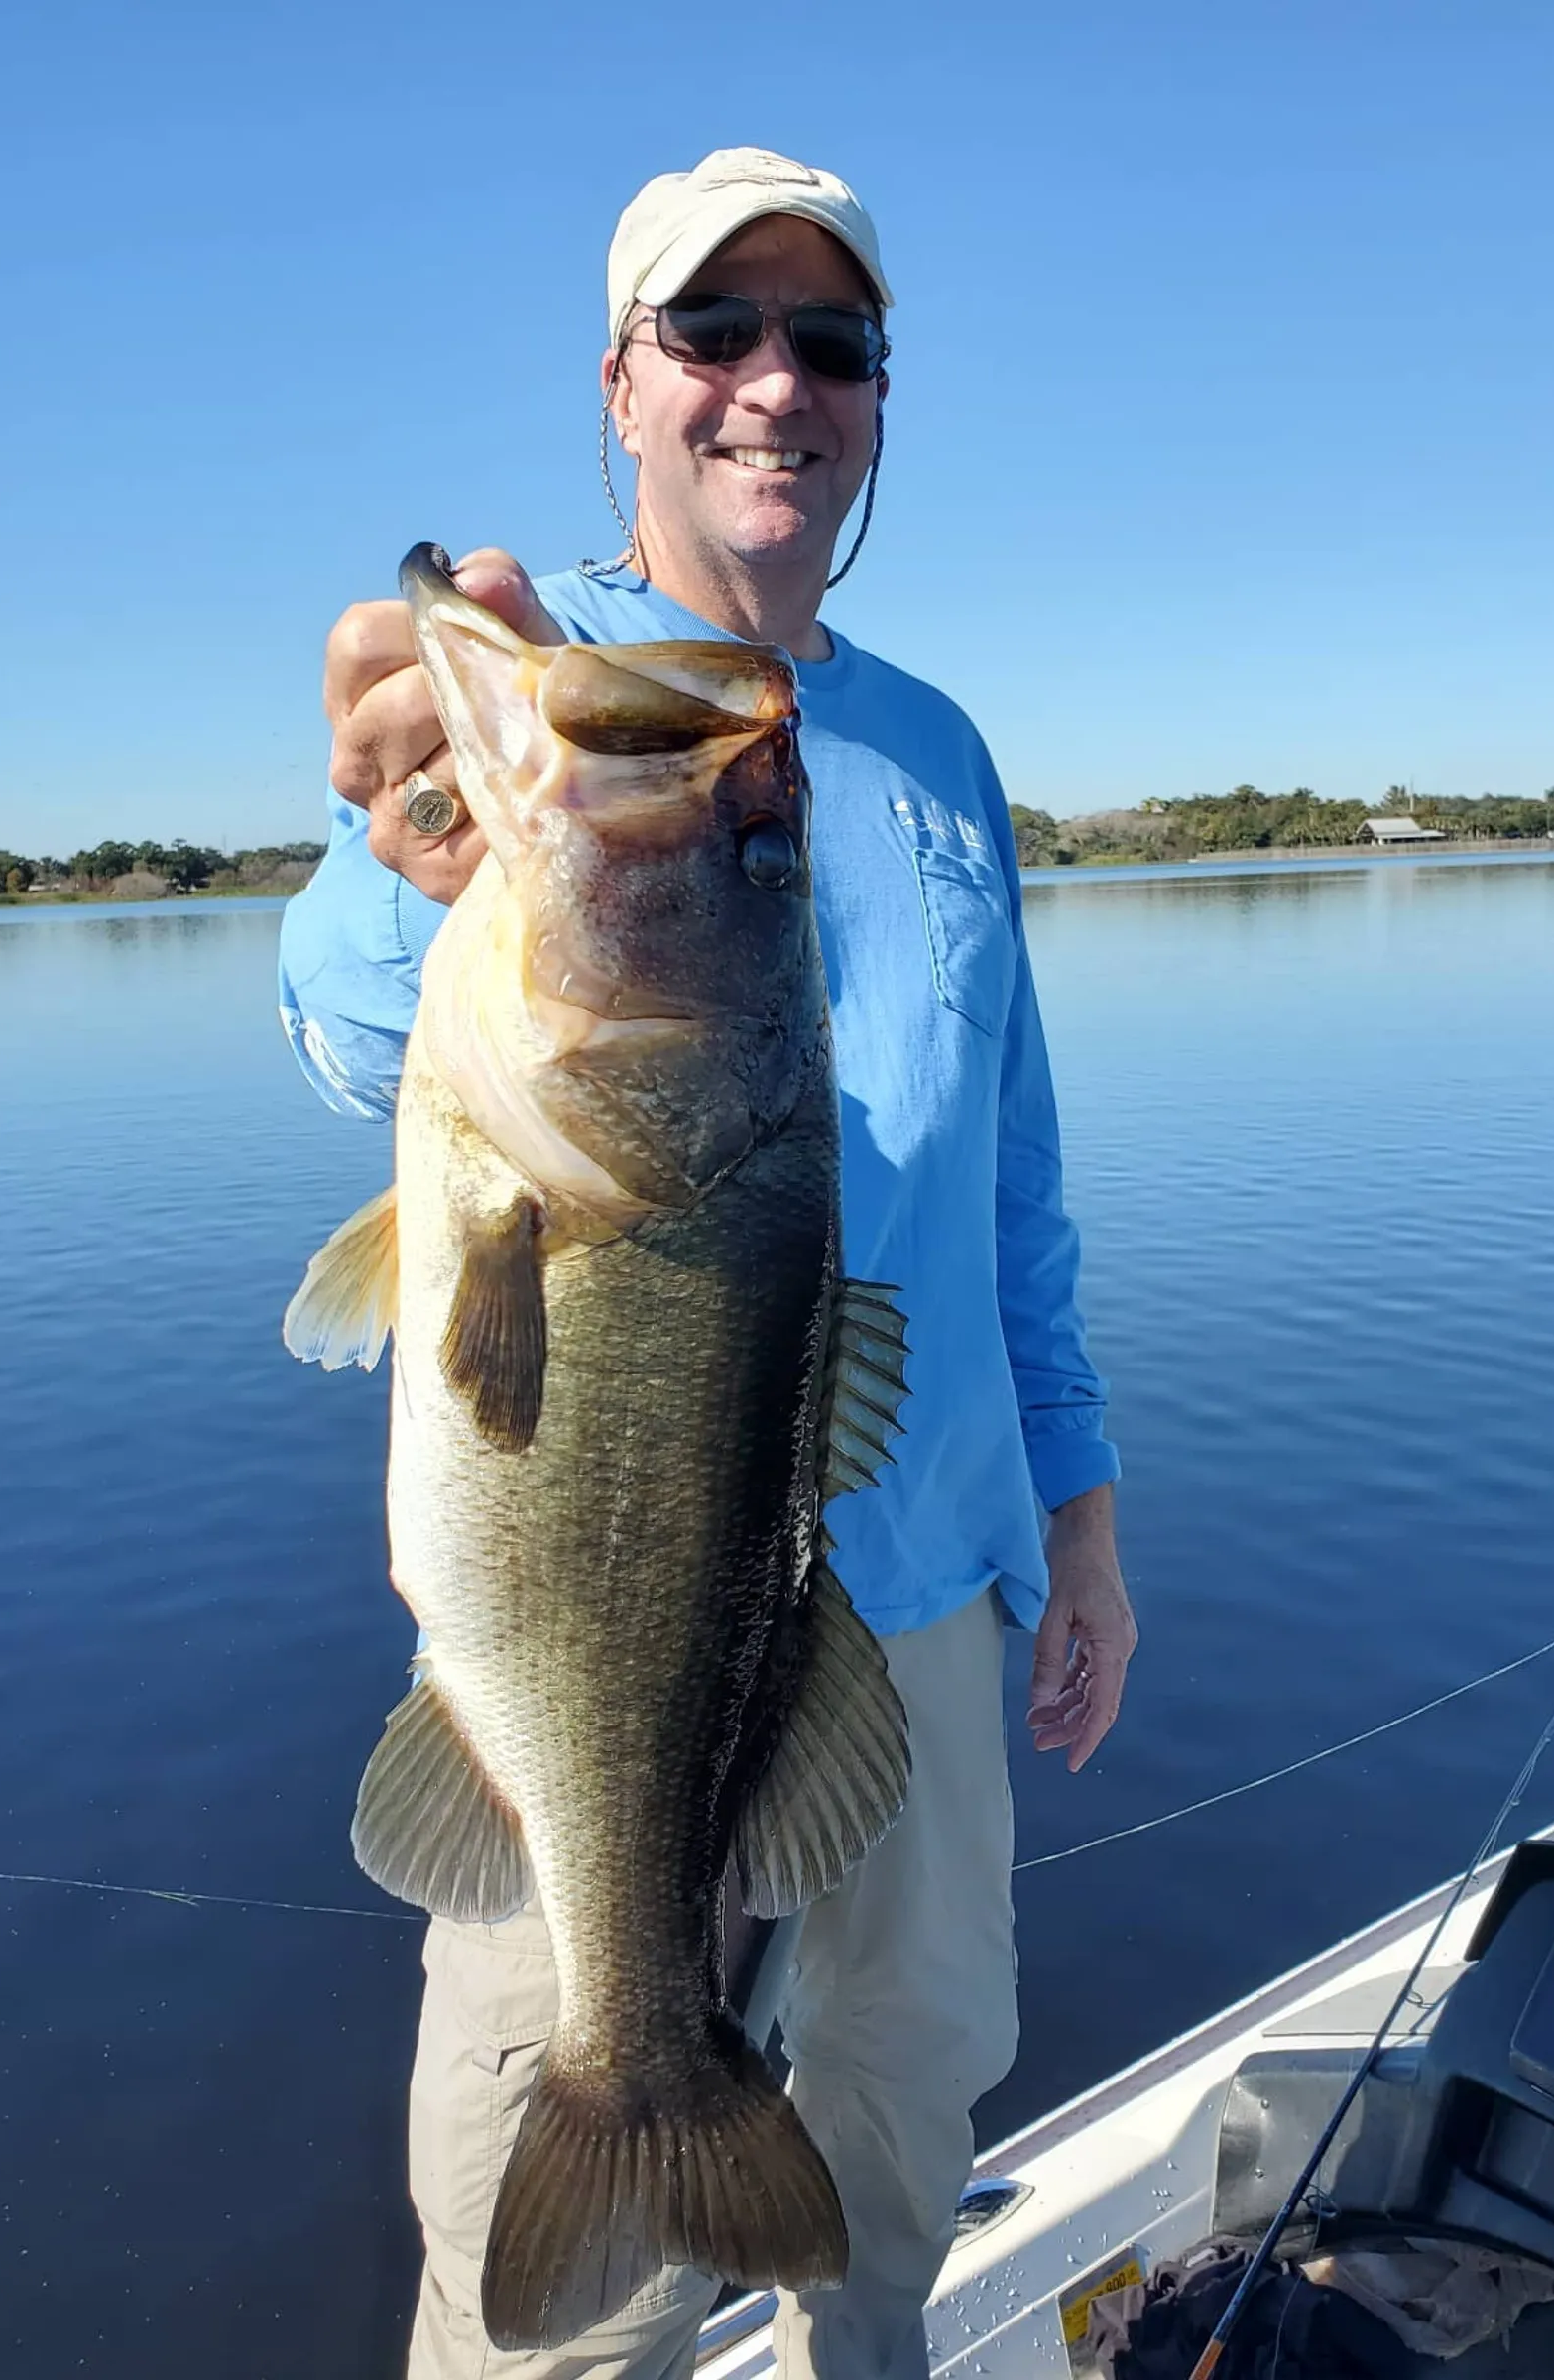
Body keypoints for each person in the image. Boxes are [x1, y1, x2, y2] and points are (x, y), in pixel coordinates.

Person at [278, 146, 1138, 2380]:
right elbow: (345, 1010)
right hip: (585, 1633)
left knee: (898, 2134)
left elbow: (1009, 1188)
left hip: (927, 1599)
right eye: (715, 332)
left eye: (829, 341)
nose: (775, 381)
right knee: (551, 2291)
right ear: (623, 384)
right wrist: (420, 834)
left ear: (874, 399)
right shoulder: (532, 701)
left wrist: (1087, 1517)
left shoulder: (937, 755)